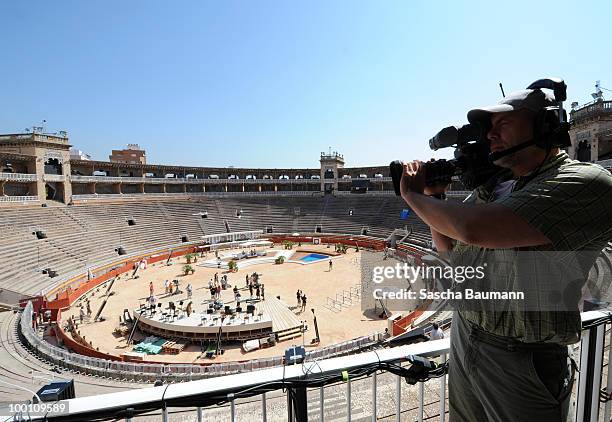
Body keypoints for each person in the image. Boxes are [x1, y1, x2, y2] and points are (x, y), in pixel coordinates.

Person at [399, 87, 612, 421]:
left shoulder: (585, 181)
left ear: (544, 124)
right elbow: (452, 251)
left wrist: (412, 196)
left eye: (503, 123)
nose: (490, 134)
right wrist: (434, 199)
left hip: (522, 357)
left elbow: (472, 229)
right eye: (489, 127)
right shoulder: (494, 190)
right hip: (466, 334)